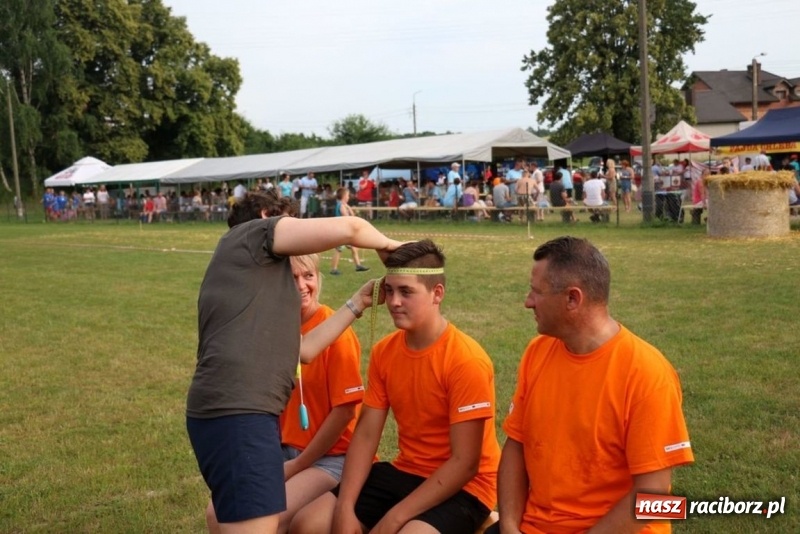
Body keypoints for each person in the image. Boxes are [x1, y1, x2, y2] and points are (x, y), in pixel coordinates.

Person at [186, 190, 402, 534]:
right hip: (240, 416)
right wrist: (391, 248)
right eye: (291, 223)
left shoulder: (251, 282)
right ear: (265, 216)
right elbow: (351, 228)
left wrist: (356, 303)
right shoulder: (252, 235)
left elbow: (304, 350)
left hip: (225, 416)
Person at [291, 240, 501, 534]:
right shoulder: (385, 351)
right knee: (308, 524)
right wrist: (345, 506)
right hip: (405, 471)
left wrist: (393, 519)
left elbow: (465, 464)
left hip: (466, 487)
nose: (393, 302)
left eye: (406, 292)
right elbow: (365, 436)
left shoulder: (466, 359)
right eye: (389, 290)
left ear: (437, 293)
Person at [489, 236, 694, 534]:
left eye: (536, 292)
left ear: (573, 299)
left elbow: (656, 494)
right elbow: (516, 447)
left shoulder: (647, 374)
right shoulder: (538, 351)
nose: (527, 301)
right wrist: (508, 525)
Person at [205, 253, 366, 534]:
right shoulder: (273, 328)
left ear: (319, 279)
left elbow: (345, 412)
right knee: (217, 513)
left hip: (330, 457)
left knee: (265, 518)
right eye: (292, 278)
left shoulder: (335, 330)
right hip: (281, 451)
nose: (302, 285)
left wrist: (297, 465)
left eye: (309, 276)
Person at [330, 187, 371, 275]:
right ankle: (334, 269)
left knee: (354, 247)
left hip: (345, 231)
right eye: (347, 195)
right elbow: (347, 217)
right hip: (341, 231)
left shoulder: (343, 205)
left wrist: (348, 206)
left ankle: (358, 265)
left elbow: (352, 215)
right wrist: (348, 210)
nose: (348, 197)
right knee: (338, 250)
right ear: (344, 196)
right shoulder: (341, 205)